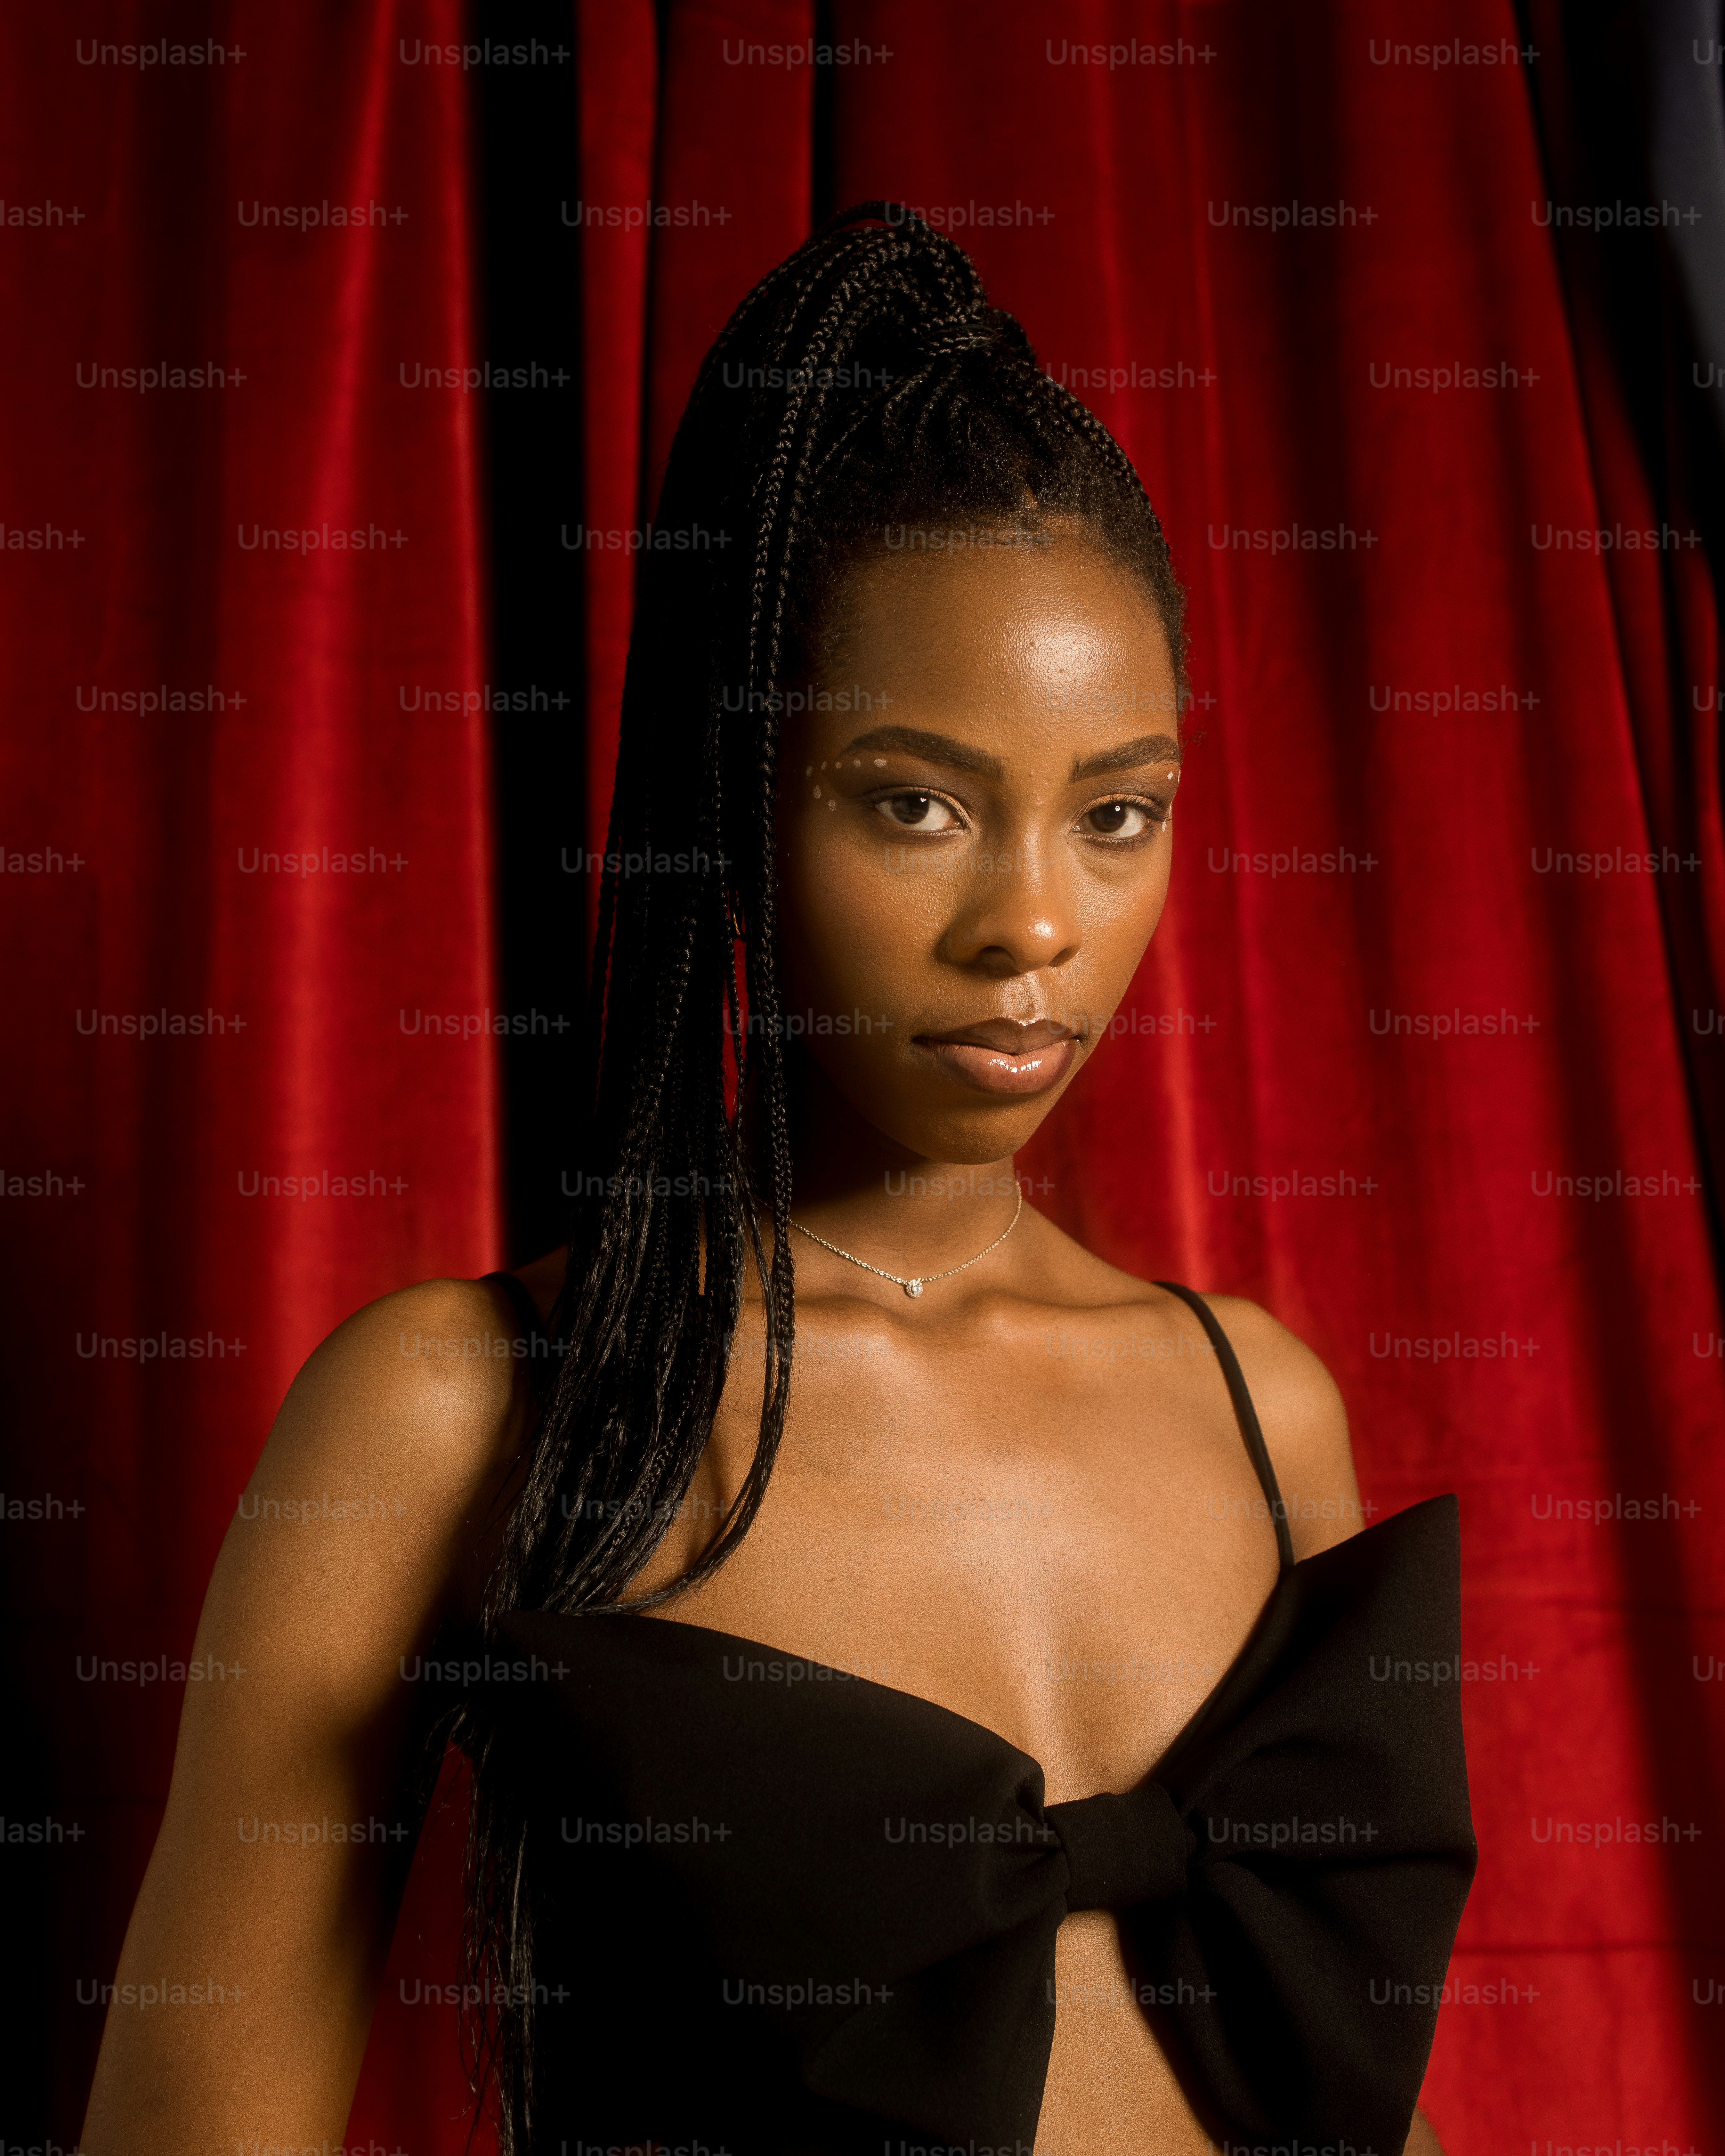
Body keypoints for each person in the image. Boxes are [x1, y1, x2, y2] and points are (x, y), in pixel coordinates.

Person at [81, 204, 1474, 2156]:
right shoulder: (459, 1407)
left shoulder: (1263, 1410)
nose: (1032, 922)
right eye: (913, 803)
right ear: (734, 800)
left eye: (1117, 813)